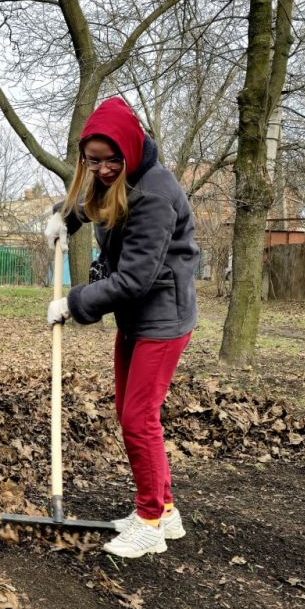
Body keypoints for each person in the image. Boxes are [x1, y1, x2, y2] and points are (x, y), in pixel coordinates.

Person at [44, 97, 200, 559]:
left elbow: (134, 278)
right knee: (131, 415)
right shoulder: (119, 178)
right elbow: (95, 205)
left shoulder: (153, 193)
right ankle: (165, 511)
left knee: (138, 419)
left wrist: (73, 303)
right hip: (138, 317)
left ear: (131, 150)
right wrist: (63, 217)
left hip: (162, 317)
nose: (104, 168)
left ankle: (150, 521)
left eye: (113, 159)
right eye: (93, 161)